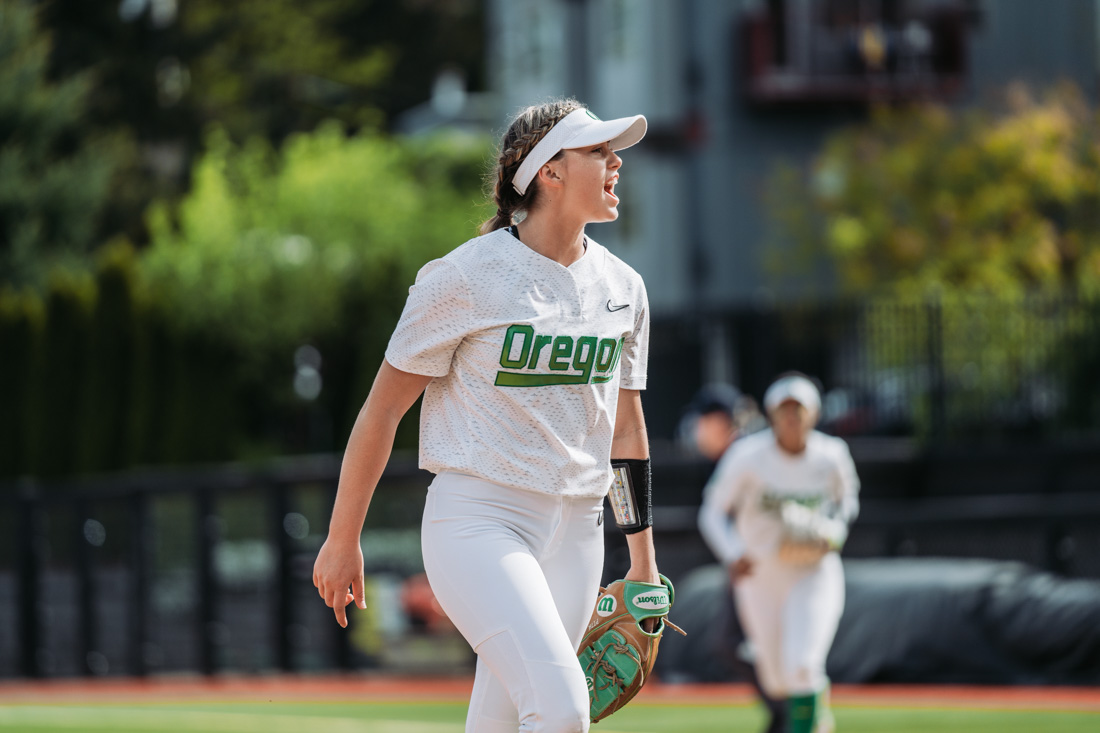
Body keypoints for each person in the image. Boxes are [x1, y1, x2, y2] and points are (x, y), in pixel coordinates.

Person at [312, 98, 661, 733]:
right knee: (560, 709)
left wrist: (642, 561)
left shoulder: (624, 287)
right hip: (481, 520)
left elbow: (626, 433)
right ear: (547, 172)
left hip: (579, 530)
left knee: (500, 720)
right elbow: (383, 411)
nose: (616, 163)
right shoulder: (465, 276)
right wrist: (342, 538)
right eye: (597, 151)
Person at [697, 373, 860, 733]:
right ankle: (818, 718)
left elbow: (846, 502)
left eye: (798, 410)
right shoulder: (747, 456)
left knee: (802, 666)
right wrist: (732, 553)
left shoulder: (831, 455)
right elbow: (711, 512)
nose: (791, 418)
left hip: (813, 572)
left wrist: (834, 530)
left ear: (813, 414)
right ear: (771, 415)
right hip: (761, 575)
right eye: (783, 411)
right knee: (776, 679)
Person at [684, 384, 786, 733]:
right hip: (751, 565)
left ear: (718, 421)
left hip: (760, 567)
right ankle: (783, 707)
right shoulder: (743, 453)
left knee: (730, 642)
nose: (697, 429)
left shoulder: (743, 454)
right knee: (732, 643)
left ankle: (787, 705)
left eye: (702, 421)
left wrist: (737, 557)